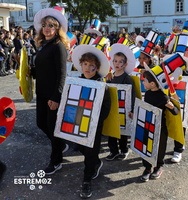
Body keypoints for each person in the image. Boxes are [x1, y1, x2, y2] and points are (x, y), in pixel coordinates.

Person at [32, 8, 70, 175]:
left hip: (53, 95)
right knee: (41, 123)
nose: (47, 28)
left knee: (53, 127)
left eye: (51, 25)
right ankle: (60, 144)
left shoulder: (58, 46)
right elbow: (41, 69)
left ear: (57, 29)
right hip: (41, 93)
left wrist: (56, 97)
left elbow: (62, 74)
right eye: (45, 25)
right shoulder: (42, 45)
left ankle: (56, 161)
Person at [71, 44, 111, 199]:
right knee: (80, 148)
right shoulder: (76, 80)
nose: (87, 68)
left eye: (91, 66)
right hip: (78, 123)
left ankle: (86, 181)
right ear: (80, 65)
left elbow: (106, 106)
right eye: (85, 64)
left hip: (94, 126)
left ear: (97, 68)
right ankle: (96, 162)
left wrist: (96, 122)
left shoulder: (101, 84)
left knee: (89, 152)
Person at [140, 71, 179, 182]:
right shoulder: (147, 94)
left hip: (161, 127)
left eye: (145, 80)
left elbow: (176, 112)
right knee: (147, 147)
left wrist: (171, 107)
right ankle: (147, 168)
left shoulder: (163, 96)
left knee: (160, 148)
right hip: (148, 125)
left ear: (152, 84)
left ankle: (158, 167)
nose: (143, 82)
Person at [106, 43, 136, 161]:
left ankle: (124, 150)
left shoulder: (127, 78)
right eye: (115, 61)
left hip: (124, 109)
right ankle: (113, 151)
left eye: (120, 62)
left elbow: (131, 94)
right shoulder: (110, 76)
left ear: (125, 64)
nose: (117, 64)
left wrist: (132, 109)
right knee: (111, 129)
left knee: (122, 131)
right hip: (113, 108)